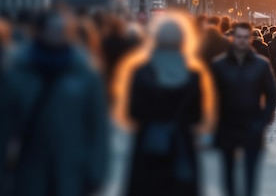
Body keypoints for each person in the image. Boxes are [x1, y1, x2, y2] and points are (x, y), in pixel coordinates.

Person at [0, 12, 109, 196]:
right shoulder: (18, 71)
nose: (58, 34)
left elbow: (97, 127)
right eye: (53, 29)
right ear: (39, 32)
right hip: (29, 167)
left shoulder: (85, 73)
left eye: (63, 30)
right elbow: (4, 123)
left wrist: (96, 173)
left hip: (72, 168)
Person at [124, 15, 214, 196]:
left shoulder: (141, 73)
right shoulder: (193, 75)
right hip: (181, 144)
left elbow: (133, 112)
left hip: (149, 143)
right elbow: (198, 116)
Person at [212, 23, 276, 196]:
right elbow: (211, 96)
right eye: (238, 37)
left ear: (249, 39)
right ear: (233, 38)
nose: (241, 41)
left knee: (250, 170)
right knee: (228, 171)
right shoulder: (220, 65)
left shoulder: (260, 65)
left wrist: (263, 119)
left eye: (244, 37)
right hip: (227, 124)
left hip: (252, 123)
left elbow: (271, 94)